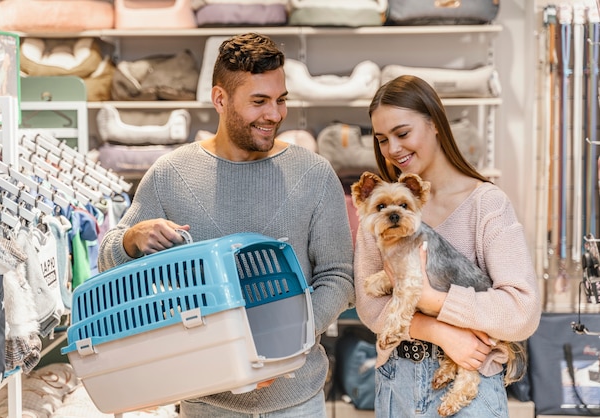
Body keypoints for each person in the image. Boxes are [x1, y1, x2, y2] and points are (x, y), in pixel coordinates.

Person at [98, 32, 355, 417]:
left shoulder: (314, 174)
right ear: (220, 99)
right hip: (204, 401)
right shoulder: (171, 174)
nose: (274, 114)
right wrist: (132, 239)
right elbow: (108, 263)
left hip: (296, 401)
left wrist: (283, 344)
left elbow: (338, 277)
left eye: (281, 100)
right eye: (259, 101)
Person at [353, 75, 541, 417]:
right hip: (397, 382)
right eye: (382, 140)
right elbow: (369, 307)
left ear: (435, 123)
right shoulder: (380, 212)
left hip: (472, 389)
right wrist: (439, 331)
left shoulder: (487, 205)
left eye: (403, 133)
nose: (393, 149)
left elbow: (522, 313)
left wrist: (433, 300)